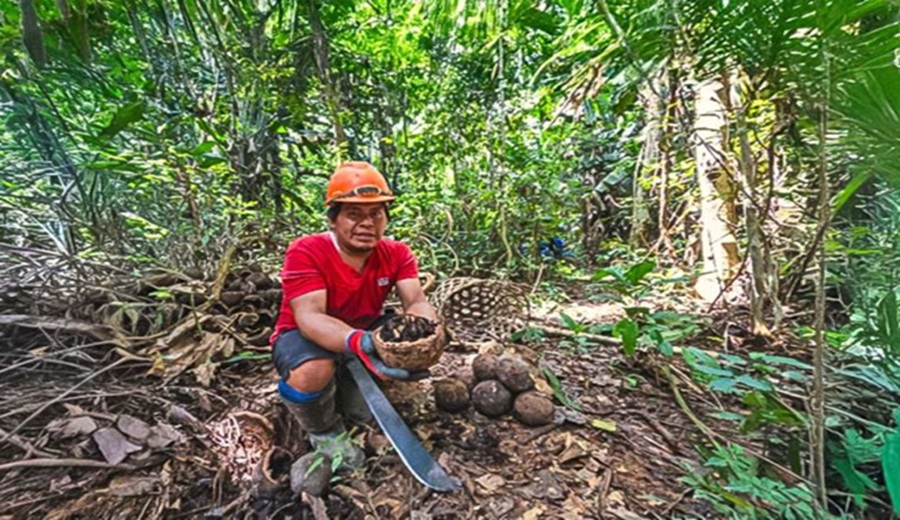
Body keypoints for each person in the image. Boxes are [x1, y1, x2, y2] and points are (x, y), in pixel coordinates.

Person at [270, 161, 440, 495]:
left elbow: (416, 301)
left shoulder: (397, 253)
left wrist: (428, 331)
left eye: (377, 214)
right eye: (354, 214)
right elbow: (310, 317)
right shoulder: (307, 250)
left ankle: (350, 382)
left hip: (364, 331)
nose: (367, 224)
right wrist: (362, 343)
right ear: (332, 220)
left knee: (405, 340)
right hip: (305, 335)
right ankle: (323, 429)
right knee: (313, 370)